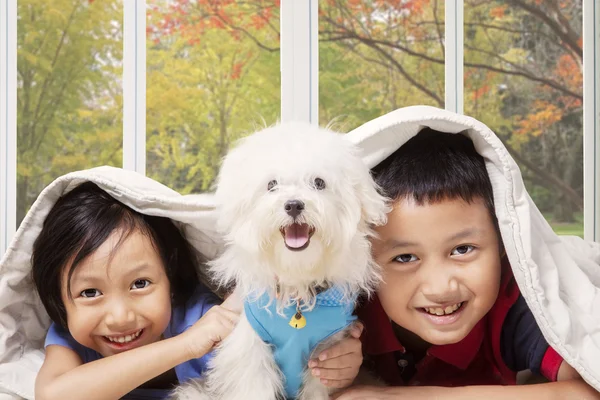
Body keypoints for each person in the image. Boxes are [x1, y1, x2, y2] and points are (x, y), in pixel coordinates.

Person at [32, 181, 363, 400]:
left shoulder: (208, 321)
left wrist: (341, 364)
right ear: (59, 300)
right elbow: (54, 395)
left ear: (172, 279)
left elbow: (289, 361)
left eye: (140, 284)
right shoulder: (71, 337)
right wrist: (185, 346)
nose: (119, 317)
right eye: (90, 293)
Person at [334, 128, 600, 399]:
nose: (440, 288)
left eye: (462, 249)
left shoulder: (519, 307)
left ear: (505, 244)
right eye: (405, 257)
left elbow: (590, 389)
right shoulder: (348, 310)